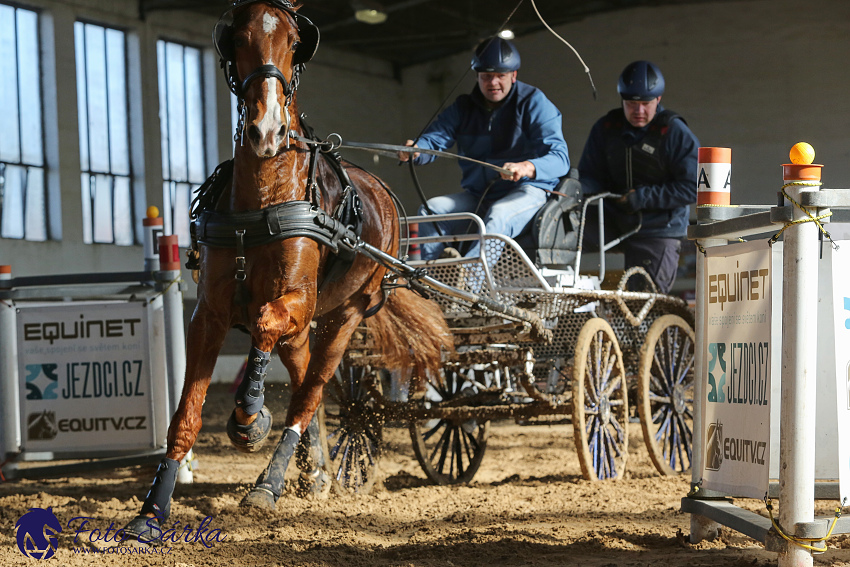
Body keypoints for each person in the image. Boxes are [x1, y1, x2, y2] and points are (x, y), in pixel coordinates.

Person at [399, 37, 570, 261]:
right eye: (486, 76)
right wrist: (417, 149)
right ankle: (434, 280)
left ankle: (468, 285)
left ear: (514, 75)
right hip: (480, 195)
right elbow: (434, 139)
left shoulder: (533, 102)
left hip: (528, 191)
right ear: (477, 76)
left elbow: (560, 158)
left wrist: (527, 167)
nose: (493, 83)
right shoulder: (463, 107)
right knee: (430, 210)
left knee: (498, 215)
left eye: (501, 75)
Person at [578, 60, 699, 294]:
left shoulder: (674, 132)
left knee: (642, 299)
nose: (639, 111)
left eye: (646, 104)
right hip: (612, 219)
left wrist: (643, 198)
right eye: (632, 104)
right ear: (622, 101)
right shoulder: (605, 128)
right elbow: (589, 175)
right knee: (559, 229)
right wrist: (578, 191)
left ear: (658, 100)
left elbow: (692, 187)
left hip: (659, 227)